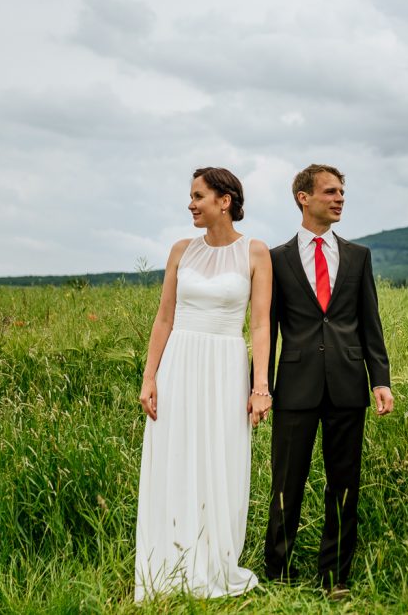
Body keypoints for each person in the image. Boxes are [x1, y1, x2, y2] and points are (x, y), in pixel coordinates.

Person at [134, 167, 273, 601]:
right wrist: (150, 376)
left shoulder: (256, 252)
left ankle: (215, 561)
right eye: (191, 197)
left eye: (198, 196)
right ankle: (169, 561)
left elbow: (262, 324)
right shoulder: (180, 250)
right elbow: (164, 317)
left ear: (225, 200)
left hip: (226, 364)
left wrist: (260, 386)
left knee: (220, 455)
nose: (191, 204)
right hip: (179, 363)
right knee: (175, 455)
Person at [263, 164, 394, 599]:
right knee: (286, 483)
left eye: (342, 192)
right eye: (330, 192)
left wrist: (381, 380)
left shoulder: (358, 256)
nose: (339, 199)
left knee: (344, 484)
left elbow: (369, 324)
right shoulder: (276, 258)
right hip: (294, 387)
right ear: (304, 197)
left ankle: (334, 578)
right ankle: (278, 573)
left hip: (347, 384)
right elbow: (266, 328)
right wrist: (259, 387)